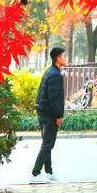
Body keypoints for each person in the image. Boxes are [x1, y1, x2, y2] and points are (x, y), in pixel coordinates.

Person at [30, 47, 68, 184]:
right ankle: (35, 174)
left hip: (43, 113)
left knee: (47, 144)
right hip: (49, 115)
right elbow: (54, 99)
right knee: (47, 145)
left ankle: (48, 172)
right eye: (63, 56)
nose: (65, 58)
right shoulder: (55, 75)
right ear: (58, 58)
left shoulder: (50, 71)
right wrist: (59, 116)